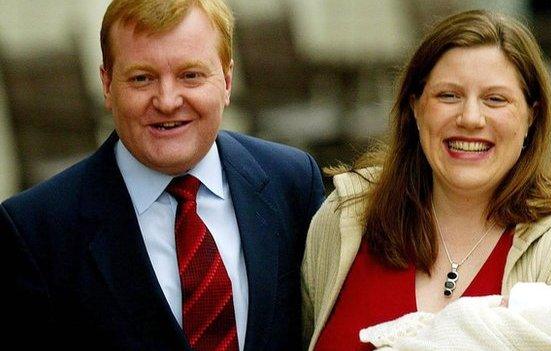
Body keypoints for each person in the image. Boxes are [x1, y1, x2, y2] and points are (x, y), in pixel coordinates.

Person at [0, 1, 325, 350]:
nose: (168, 101)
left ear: (227, 81)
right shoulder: (35, 230)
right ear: (107, 85)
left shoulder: (292, 184)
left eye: (191, 75)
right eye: (142, 78)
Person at [301, 9, 551, 351]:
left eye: (495, 99)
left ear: (532, 115)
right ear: (415, 107)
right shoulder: (346, 216)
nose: (470, 118)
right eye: (448, 96)